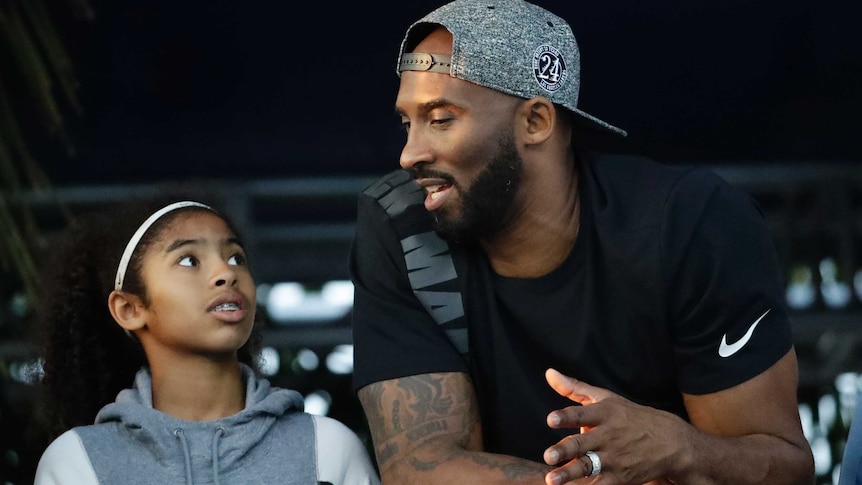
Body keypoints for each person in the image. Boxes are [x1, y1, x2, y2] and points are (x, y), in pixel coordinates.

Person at [348, 0, 815, 484]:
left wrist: (681, 447)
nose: (410, 154)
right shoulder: (400, 226)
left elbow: (786, 468)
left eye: (440, 118)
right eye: (408, 122)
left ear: (535, 122)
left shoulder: (690, 224)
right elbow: (420, 467)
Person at [32, 197, 381, 485]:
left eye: (236, 258)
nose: (226, 273)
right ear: (130, 308)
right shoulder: (78, 463)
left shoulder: (327, 449)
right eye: (189, 260)